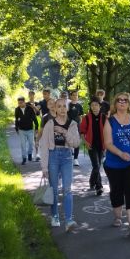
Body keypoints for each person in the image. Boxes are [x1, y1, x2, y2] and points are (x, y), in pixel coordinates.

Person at [103, 92, 130, 235]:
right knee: (116, 191)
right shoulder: (110, 121)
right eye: (119, 100)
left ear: (129, 104)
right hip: (114, 164)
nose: (122, 102)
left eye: (125, 100)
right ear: (115, 103)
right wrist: (120, 153)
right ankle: (117, 216)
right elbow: (108, 143)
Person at [39, 98, 81, 232]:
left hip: (67, 156)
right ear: (55, 109)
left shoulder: (72, 124)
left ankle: (68, 220)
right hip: (53, 156)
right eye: (59, 106)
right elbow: (44, 146)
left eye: (64, 106)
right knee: (54, 190)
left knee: (67, 189)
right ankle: (55, 216)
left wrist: (65, 132)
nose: (62, 109)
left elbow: (76, 143)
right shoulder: (50, 124)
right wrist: (44, 167)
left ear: (67, 108)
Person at [80, 98, 106, 195]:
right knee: (96, 165)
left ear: (100, 106)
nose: (94, 107)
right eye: (92, 105)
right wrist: (85, 142)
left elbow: (108, 132)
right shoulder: (86, 118)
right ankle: (99, 187)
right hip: (91, 145)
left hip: (102, 145)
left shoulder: (104, 118)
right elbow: (82, 131)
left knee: (97, 165)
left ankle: (92, 181)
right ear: (90, 107)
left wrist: (107, 144)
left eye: (96, 105)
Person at [14, 92, 39, 164]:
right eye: (18, 103)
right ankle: (24, 158)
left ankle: (30, 154)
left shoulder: (29, 108)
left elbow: (34, 118)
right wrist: (16, 128)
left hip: (30, 129)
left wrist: (36, 127)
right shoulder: (17, 109)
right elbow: (16, 119)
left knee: (31, 144)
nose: (20, 104)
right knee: (23, 145)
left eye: (21, 103)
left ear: (24, 102)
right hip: (21, 130)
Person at [34, 88, 52, 161]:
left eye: (45, 94)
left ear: (49, 94)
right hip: (44, 121)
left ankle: (50, 155)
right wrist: (34, 107)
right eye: (43, 94)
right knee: (43, 138)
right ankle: (39, 153)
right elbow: (38, 108)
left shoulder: (53, 101)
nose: (44, 95)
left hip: (53, 121)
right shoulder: (41, 102)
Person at [68, 90, 84, 166]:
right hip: (69, 125)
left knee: (77, 141)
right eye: (73, 95)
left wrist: (81, 126)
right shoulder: (67, 105)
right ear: (70, 96)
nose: (75, 96)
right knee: (68, 141)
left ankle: (76, 159)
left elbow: (80, 117)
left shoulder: (79, 106)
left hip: (77, 125)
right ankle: (68, 156)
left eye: (76, 95)